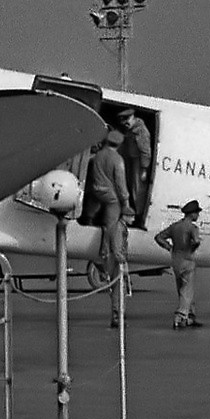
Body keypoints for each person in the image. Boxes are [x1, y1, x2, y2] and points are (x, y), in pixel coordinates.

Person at [84, 130, 134, 323]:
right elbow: (121, 184)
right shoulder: (117, 160)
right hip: (109, 194)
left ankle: (88, 217)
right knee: (111, 224)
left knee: (95, 205)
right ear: (119, 144)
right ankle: (105, 250)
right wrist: (126, 202)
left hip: (96, 190)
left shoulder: (97, 157)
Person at [155, 200, 203, 330]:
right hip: (188, 259)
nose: (198, 215)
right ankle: (180, 316)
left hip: (176, 259)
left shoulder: (175, 226)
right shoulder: (193, 228)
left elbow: (159, 237)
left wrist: (168, 246)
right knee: (187, 290)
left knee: (182, 288)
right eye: (197, 213)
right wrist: (193, 247)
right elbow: (196, 241)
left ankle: (190, 316)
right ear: (191, 214)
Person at [115, 108, 153, 214]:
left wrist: (144, 169)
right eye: (123, 120)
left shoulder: (141, 131)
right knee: (131, 187)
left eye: (127, 119)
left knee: (138, 189)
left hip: (139, 163)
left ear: (133, 118)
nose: (125, 123)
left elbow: (145, 151)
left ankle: (138, 213)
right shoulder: (130, 129)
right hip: (131, 160)